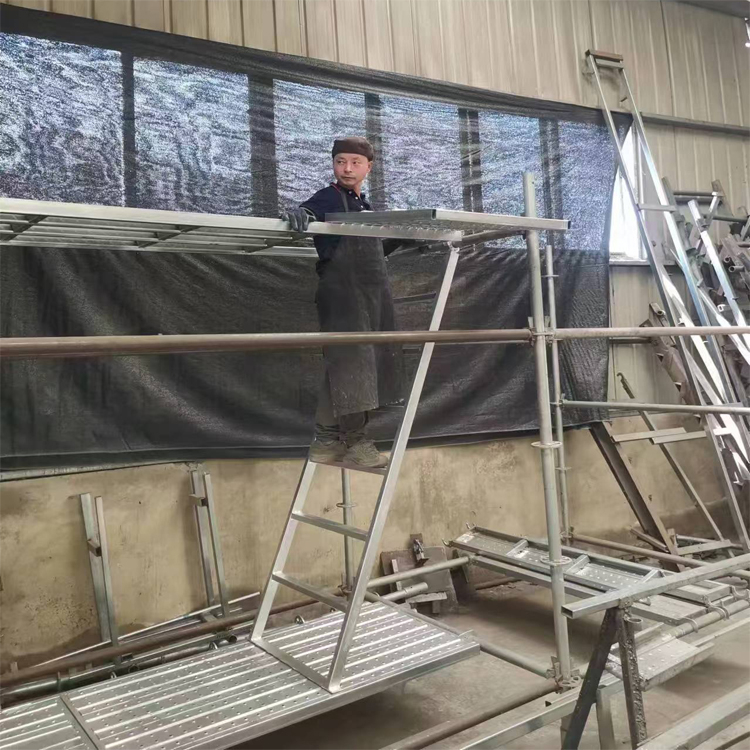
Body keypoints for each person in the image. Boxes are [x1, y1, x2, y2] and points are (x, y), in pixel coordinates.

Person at [282, 137, 403, 468]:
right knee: (352, 364)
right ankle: (353, 441)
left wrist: (401, 240)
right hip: (342, 292)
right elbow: (311, 209)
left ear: (368, 167)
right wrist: (301, 213)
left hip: (370, 294)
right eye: (340, 162)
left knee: (358, 363)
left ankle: (327, 441)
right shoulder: (330, 196)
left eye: (354, 162)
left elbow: (372, 251)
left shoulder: (365, 207)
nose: (347, 169)